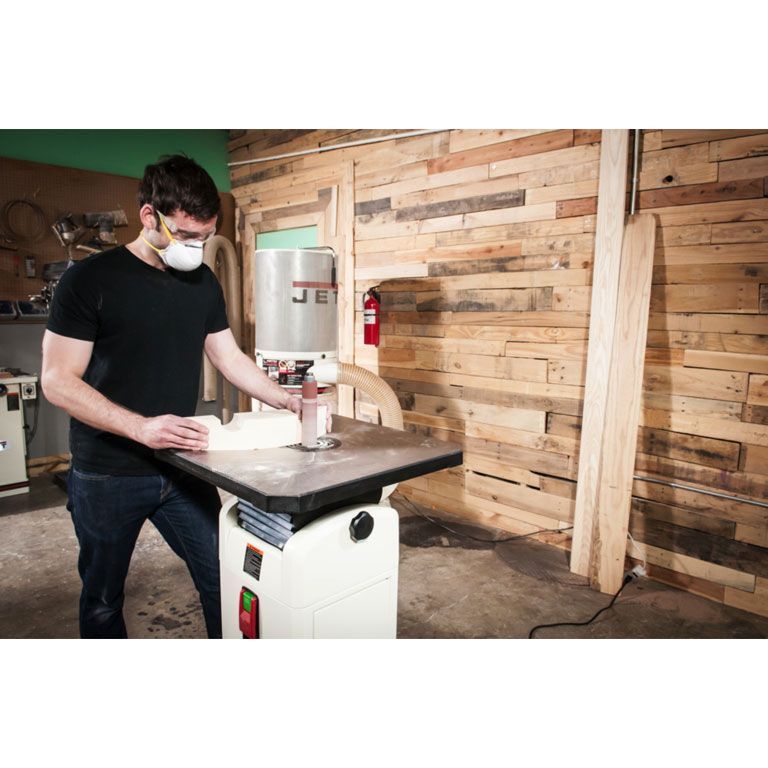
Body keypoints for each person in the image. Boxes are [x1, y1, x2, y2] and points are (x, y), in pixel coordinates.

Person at [41, 154, 302, 639]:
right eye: (184, 235)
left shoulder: (202, 283)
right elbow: (56, 380)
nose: (195, 247)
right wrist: (140, 427)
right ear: (149, 216)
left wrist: (286, 399)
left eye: (204, 236)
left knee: (225, 576)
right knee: (102, 600)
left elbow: (229, 356)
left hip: (181, 464)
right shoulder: (89, 280)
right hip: (107, 472)